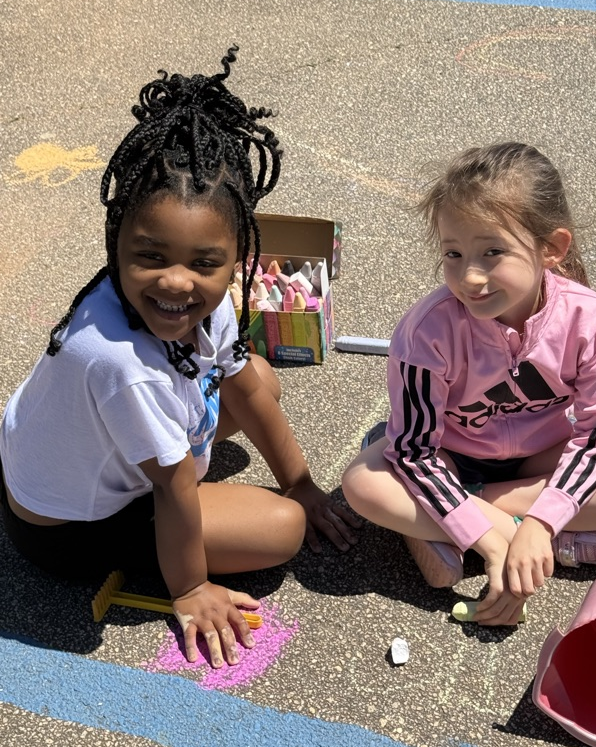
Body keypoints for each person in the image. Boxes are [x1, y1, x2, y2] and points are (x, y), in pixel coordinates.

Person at [0, 47, 359, 667]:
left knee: (260, 382)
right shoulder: (121, 365)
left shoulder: (203, 307)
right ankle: (170, 559)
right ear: (115, 240)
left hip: (84, 452)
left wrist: (300, 484)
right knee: (281, 531)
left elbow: (244, 380)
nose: (175, 283)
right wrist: (190, 588)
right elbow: (173, 490)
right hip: (61, 530)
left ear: (236, 255)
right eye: (150, 256)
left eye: (203, 263)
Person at [342, 142, 596, 627]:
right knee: (362, 484)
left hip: (540, 452)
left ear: (552, 248)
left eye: (492, 252)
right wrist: (496, 544)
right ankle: (557, 542)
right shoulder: (427, 331)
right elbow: (413, 452)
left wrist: (540, 520)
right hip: (450, 452)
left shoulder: (589, 318)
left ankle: (447, 526)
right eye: (453, 253)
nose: (469, 276)